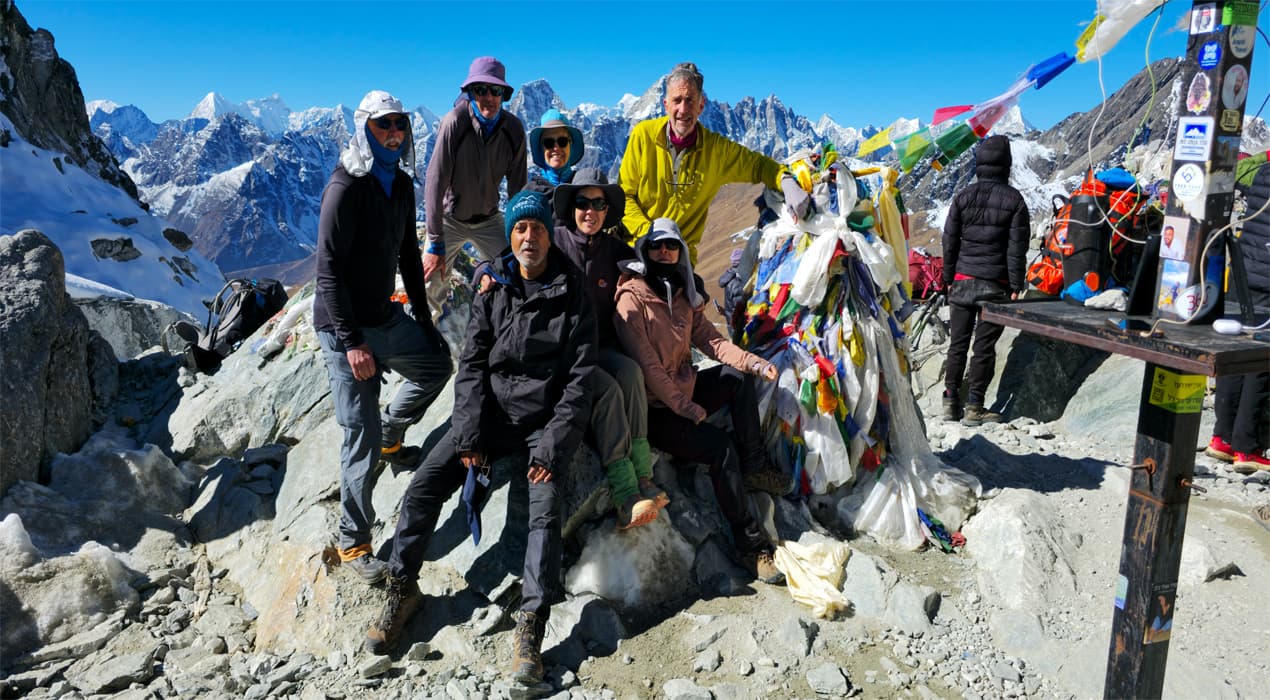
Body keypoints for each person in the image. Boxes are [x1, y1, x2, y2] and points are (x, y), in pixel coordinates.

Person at [367, 191, 595, 687]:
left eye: (537, 228)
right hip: (488, 416)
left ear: (549, 236)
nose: (529, 237)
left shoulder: (572, 292)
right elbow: (471, 365)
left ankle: (531, 625)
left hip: (540, 424)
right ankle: (402, 587)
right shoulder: (494, 286)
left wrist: (552, 448)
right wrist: (469, 433)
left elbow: (579, 384)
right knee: (424, 484)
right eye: (520, 229)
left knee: (544, 512)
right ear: (510, 236)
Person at [313, 90, 453, 584]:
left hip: (382, 315)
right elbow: (327, 272)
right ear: (364, 130)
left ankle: (394, 432)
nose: (394, 134)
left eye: (400, 124)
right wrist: (352, 343)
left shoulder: (400, 184)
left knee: (437, 365)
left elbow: (409, 255)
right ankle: (354, 541)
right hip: (343, 328)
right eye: (383, 125)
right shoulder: (345, 187)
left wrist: (423, 317)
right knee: (361, 433)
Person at [614, 218, 787, 586]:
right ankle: (749, 544)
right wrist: (685, 406)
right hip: (655, 410)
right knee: (719, 447)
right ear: (645, 251)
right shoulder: (631, 299)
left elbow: (713, 341)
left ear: (680, 252)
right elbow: (648, 367)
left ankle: (754, 465)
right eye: (656, 245)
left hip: (683, 391)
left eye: (671, 246)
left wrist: (753, 363)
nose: (664, 252)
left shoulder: (682, 294)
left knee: (737, 379)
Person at [554, 167, 667, 528]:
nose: (590, 211)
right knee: (607, 391)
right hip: (563, 354)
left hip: (601, 345)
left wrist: (686, 284)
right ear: (572, 207)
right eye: (582, 202)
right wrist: (485, 271)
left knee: (631, 373)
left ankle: (644, 475)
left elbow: (656, 267)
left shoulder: (616, 251)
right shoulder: (553, 242)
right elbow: (511, 258)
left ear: (607, 211)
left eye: (598, 204)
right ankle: (625, 493)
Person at [618, 61, 809, 265]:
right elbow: (624, 196)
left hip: (679, 261)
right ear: (666, 105)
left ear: (701, 105)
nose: (683, 109)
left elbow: (759, 166)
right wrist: (649, 235)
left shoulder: (716, 150)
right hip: (635, 250)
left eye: (690, 100)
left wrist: (785, 181)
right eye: (677, 100)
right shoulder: (643, 136)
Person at [423, 56, 527, 319]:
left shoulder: (513, 130)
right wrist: (435, 241)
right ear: (470, 93)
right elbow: (435, 183)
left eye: (495, 90)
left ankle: (513, 328)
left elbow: (518, 189)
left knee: (520, 271)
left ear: (504, 95)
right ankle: (424, 334)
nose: (488, 97)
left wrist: (520, 233)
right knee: (430, 282)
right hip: (450, 219)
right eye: (480, 90)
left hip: (490, 220)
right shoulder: (454, 123)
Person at [940, 134, 1029, 426]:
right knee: (984, 348)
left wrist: (948, 278)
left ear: (979, 163)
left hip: (962, 281)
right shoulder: (1015, 200)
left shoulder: (963, 197)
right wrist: (1016, 285)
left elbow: (949, 241)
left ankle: (950, 402)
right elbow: (1016, 249)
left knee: (957, 344)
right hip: (996, 285)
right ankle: (975, 406)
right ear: (1006, 164)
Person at [1206, 154, 1269, 472]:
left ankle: (1222, 438)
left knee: (1235, 355)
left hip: (1243, 273)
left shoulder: (1261, 170)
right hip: (1267, 280)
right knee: (1262, 362)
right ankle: (1247, 447)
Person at [528, 108, 584, 193]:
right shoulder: (530, 194)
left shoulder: (583, 189)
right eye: (548, 143)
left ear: (570, 145)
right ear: (541, 149)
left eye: (562, 141)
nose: (556, 148)